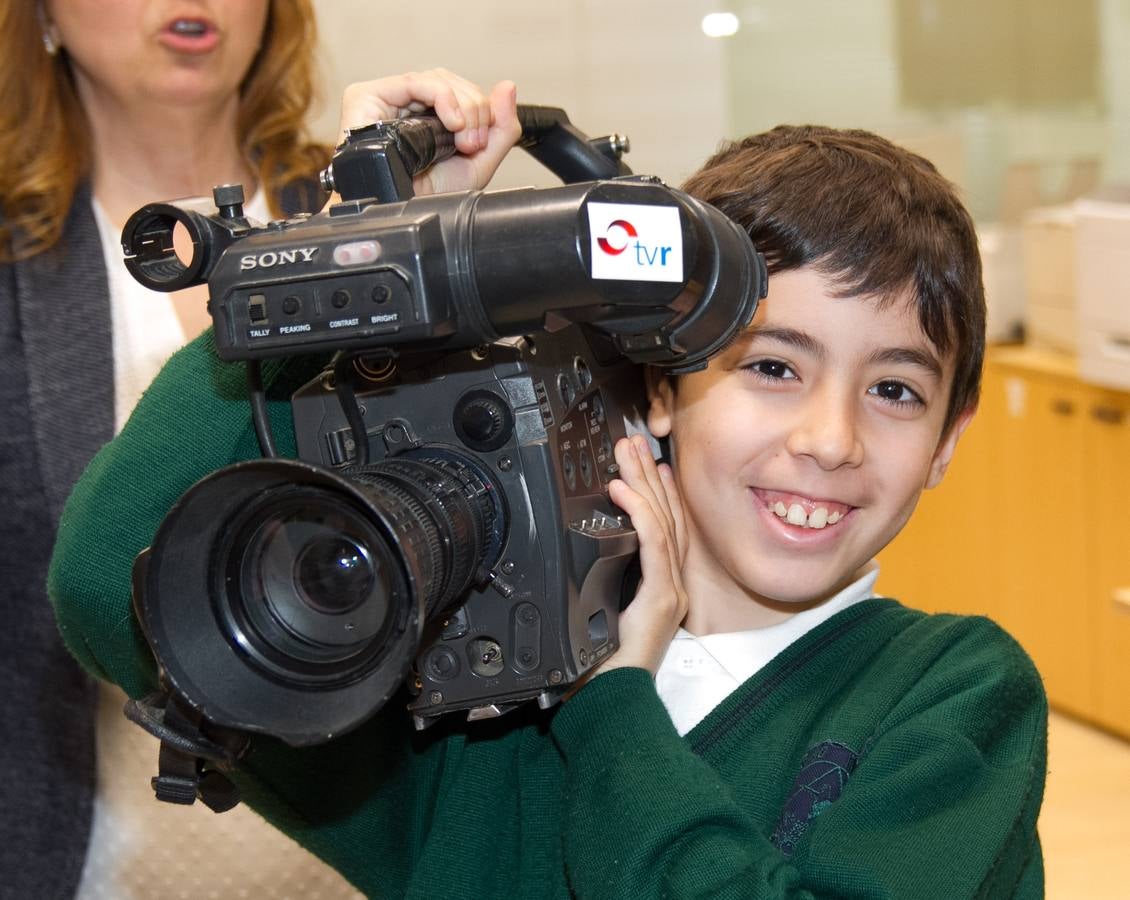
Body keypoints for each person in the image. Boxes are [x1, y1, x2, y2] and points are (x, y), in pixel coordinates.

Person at [45, 69, 1046, 897]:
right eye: (770, 367)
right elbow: (109, 575)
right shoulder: (481, 692)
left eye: (892, 390)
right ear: (658, 381)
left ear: (948, 438)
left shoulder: (953, 696)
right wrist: (352, 259)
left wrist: (614, 707)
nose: (829, 440)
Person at [1, 1, 511, 894]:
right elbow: (81, 575)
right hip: (83, 859)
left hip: (351, 845)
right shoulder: (16, 263)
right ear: (41, 14)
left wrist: (395, 236)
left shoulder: (375, 202)